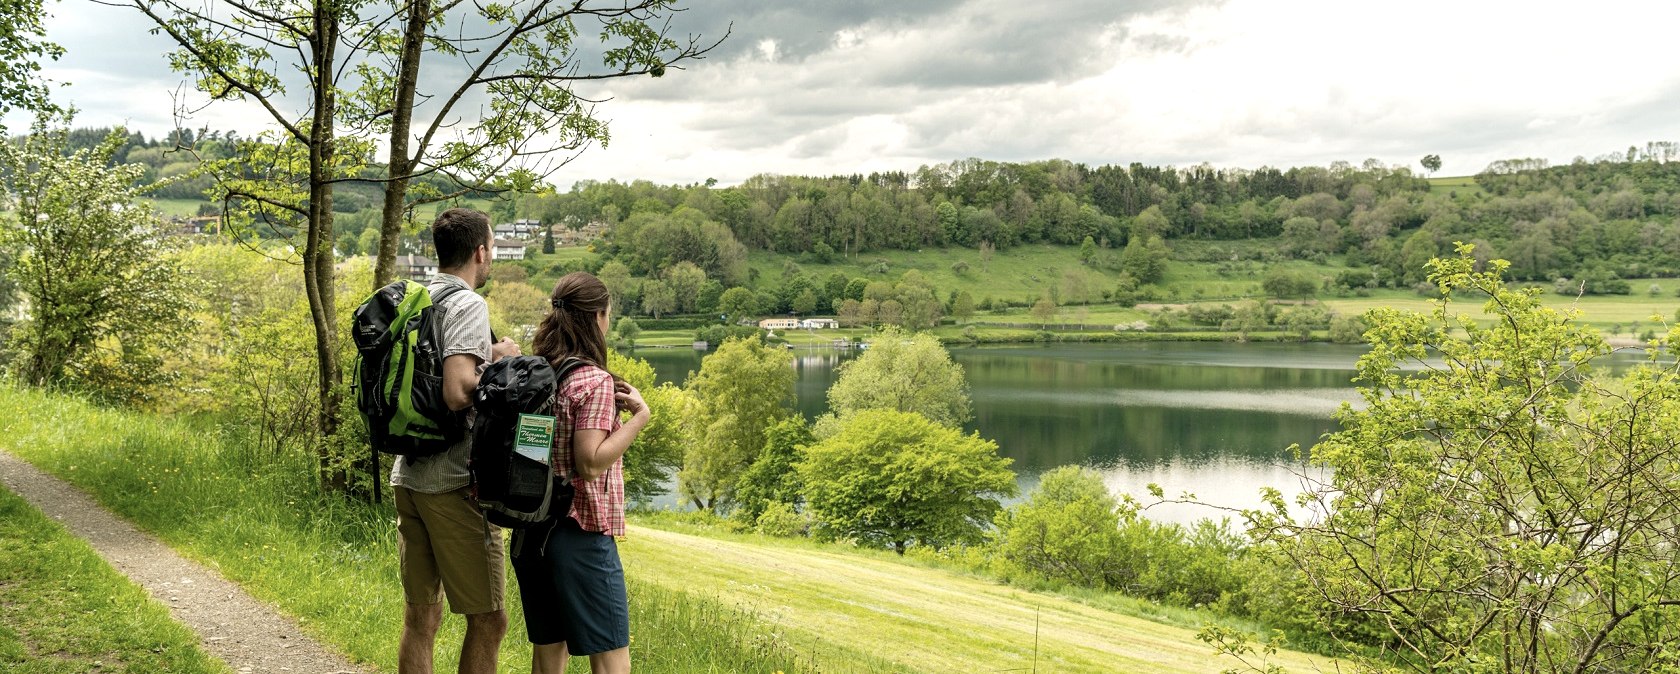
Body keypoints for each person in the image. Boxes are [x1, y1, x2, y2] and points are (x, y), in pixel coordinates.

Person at [392, 207, 522, 674]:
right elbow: (456, 390)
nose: (492, 258)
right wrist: (501, 358)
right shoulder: (468, 304)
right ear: (480, 251)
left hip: (407, 473)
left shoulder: (416, 296)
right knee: (489, 619)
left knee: (421, 616)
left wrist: (484, 353)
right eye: (492, 249)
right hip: (451, 480)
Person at [512, 271, 650, 674]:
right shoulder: (593, 380)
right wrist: (639, 418)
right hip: (579, 535)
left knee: (547, 660)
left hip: (531, 533)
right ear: (597, 317)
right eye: (608, 315)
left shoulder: (536, 373)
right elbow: (590, 463)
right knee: (611, 664)